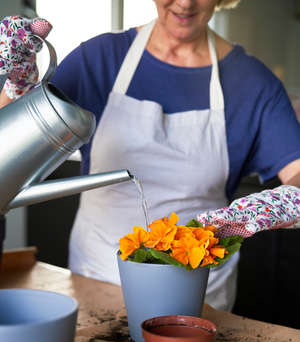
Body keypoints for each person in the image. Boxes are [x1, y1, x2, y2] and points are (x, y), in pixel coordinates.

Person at [1, 0, 300, 312]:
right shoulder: (99, 59)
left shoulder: (253, 84)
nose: (185, 2)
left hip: (199, 293)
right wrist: (18, 82)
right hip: (96, 279)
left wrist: (280, 203)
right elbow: (8, 150)